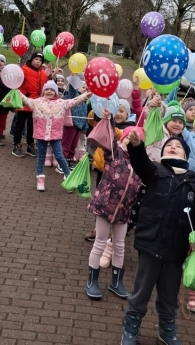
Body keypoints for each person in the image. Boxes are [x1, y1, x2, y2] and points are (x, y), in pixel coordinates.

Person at [121, 134, 195, 345]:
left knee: (169, 294)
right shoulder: (155, 171)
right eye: (169, 145)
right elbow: (140, 162)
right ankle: (131, 327)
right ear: (162, 152)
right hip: (150, 243)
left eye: (178, 146)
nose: (173, 147)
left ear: (186, 154)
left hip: (177, 249)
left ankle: (167, 330)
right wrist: (137, 146)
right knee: (141, 291)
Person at [85, 113, 142, 300]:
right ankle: (92, 281)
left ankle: (116, 282)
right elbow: (109, 135)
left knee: (120, 245)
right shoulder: (115, 152)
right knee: (100, 242)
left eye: (135, 139)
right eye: (127, 137)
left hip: (124, 211)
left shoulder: (141, 164)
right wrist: (109, 119)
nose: (130, 140)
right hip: (104, 206)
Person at [19, 80, 91, 190]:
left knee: (60, 156)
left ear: (56, 92)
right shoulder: (37, 102)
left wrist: (86, 95)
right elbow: (26, 99)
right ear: (43, 91)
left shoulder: (61, 103)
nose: (49, 92)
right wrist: (16, 91)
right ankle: (40, 180)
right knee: (41, 157)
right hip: (41, 134)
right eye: (47, 89)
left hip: (55, 134)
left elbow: (75, 101)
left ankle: (68, 176)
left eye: (52, 90)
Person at [83, 99, 135, 242]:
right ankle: (98, 229)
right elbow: (91, 121)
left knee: (115, 202)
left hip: (118, 175)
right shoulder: (105, 122)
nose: (117, 113)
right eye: (115, 110)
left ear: (127, 114)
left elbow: (116, 133)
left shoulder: (126, 130)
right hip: (102, 170)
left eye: (121, 111)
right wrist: (100, 112)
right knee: (101, 200)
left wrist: (110, 122)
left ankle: (112, 232)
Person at [12, 52, 48, 158]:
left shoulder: (43, 74)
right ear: (31, 60)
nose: (38, 61)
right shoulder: (23, 70)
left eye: (40, 60)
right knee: (19, 125)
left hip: (36, 104)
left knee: (32, 127)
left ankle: (30, 144)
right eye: (36, 59)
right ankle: (17, 145)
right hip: (24, 102)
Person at [59, 80, 89, 173]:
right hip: (71, 124)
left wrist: (84, 126)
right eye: (83, 87)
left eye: (86, 89)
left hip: (79, 126)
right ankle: (61, 164)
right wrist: (73, 77)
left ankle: (69, 160)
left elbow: (84, 115)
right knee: (66, 144)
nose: (85, 90)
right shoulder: (73, 96)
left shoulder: (84, 102)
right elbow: (72, 88)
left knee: (73, 145)